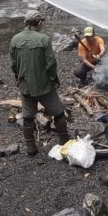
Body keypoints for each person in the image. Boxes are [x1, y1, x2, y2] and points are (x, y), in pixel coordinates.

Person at [10, 10, 70, 155]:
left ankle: (31, 147)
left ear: (25, 23)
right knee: (58, 113)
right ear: (39, 23)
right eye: (41, 22)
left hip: (26, 86)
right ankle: (64, 141)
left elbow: (13, 64)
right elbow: (51, 63)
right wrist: (54, 79)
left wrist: (18, 78)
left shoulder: (14, 39)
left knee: (28, 117)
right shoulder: (44, 39)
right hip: (44, 85)